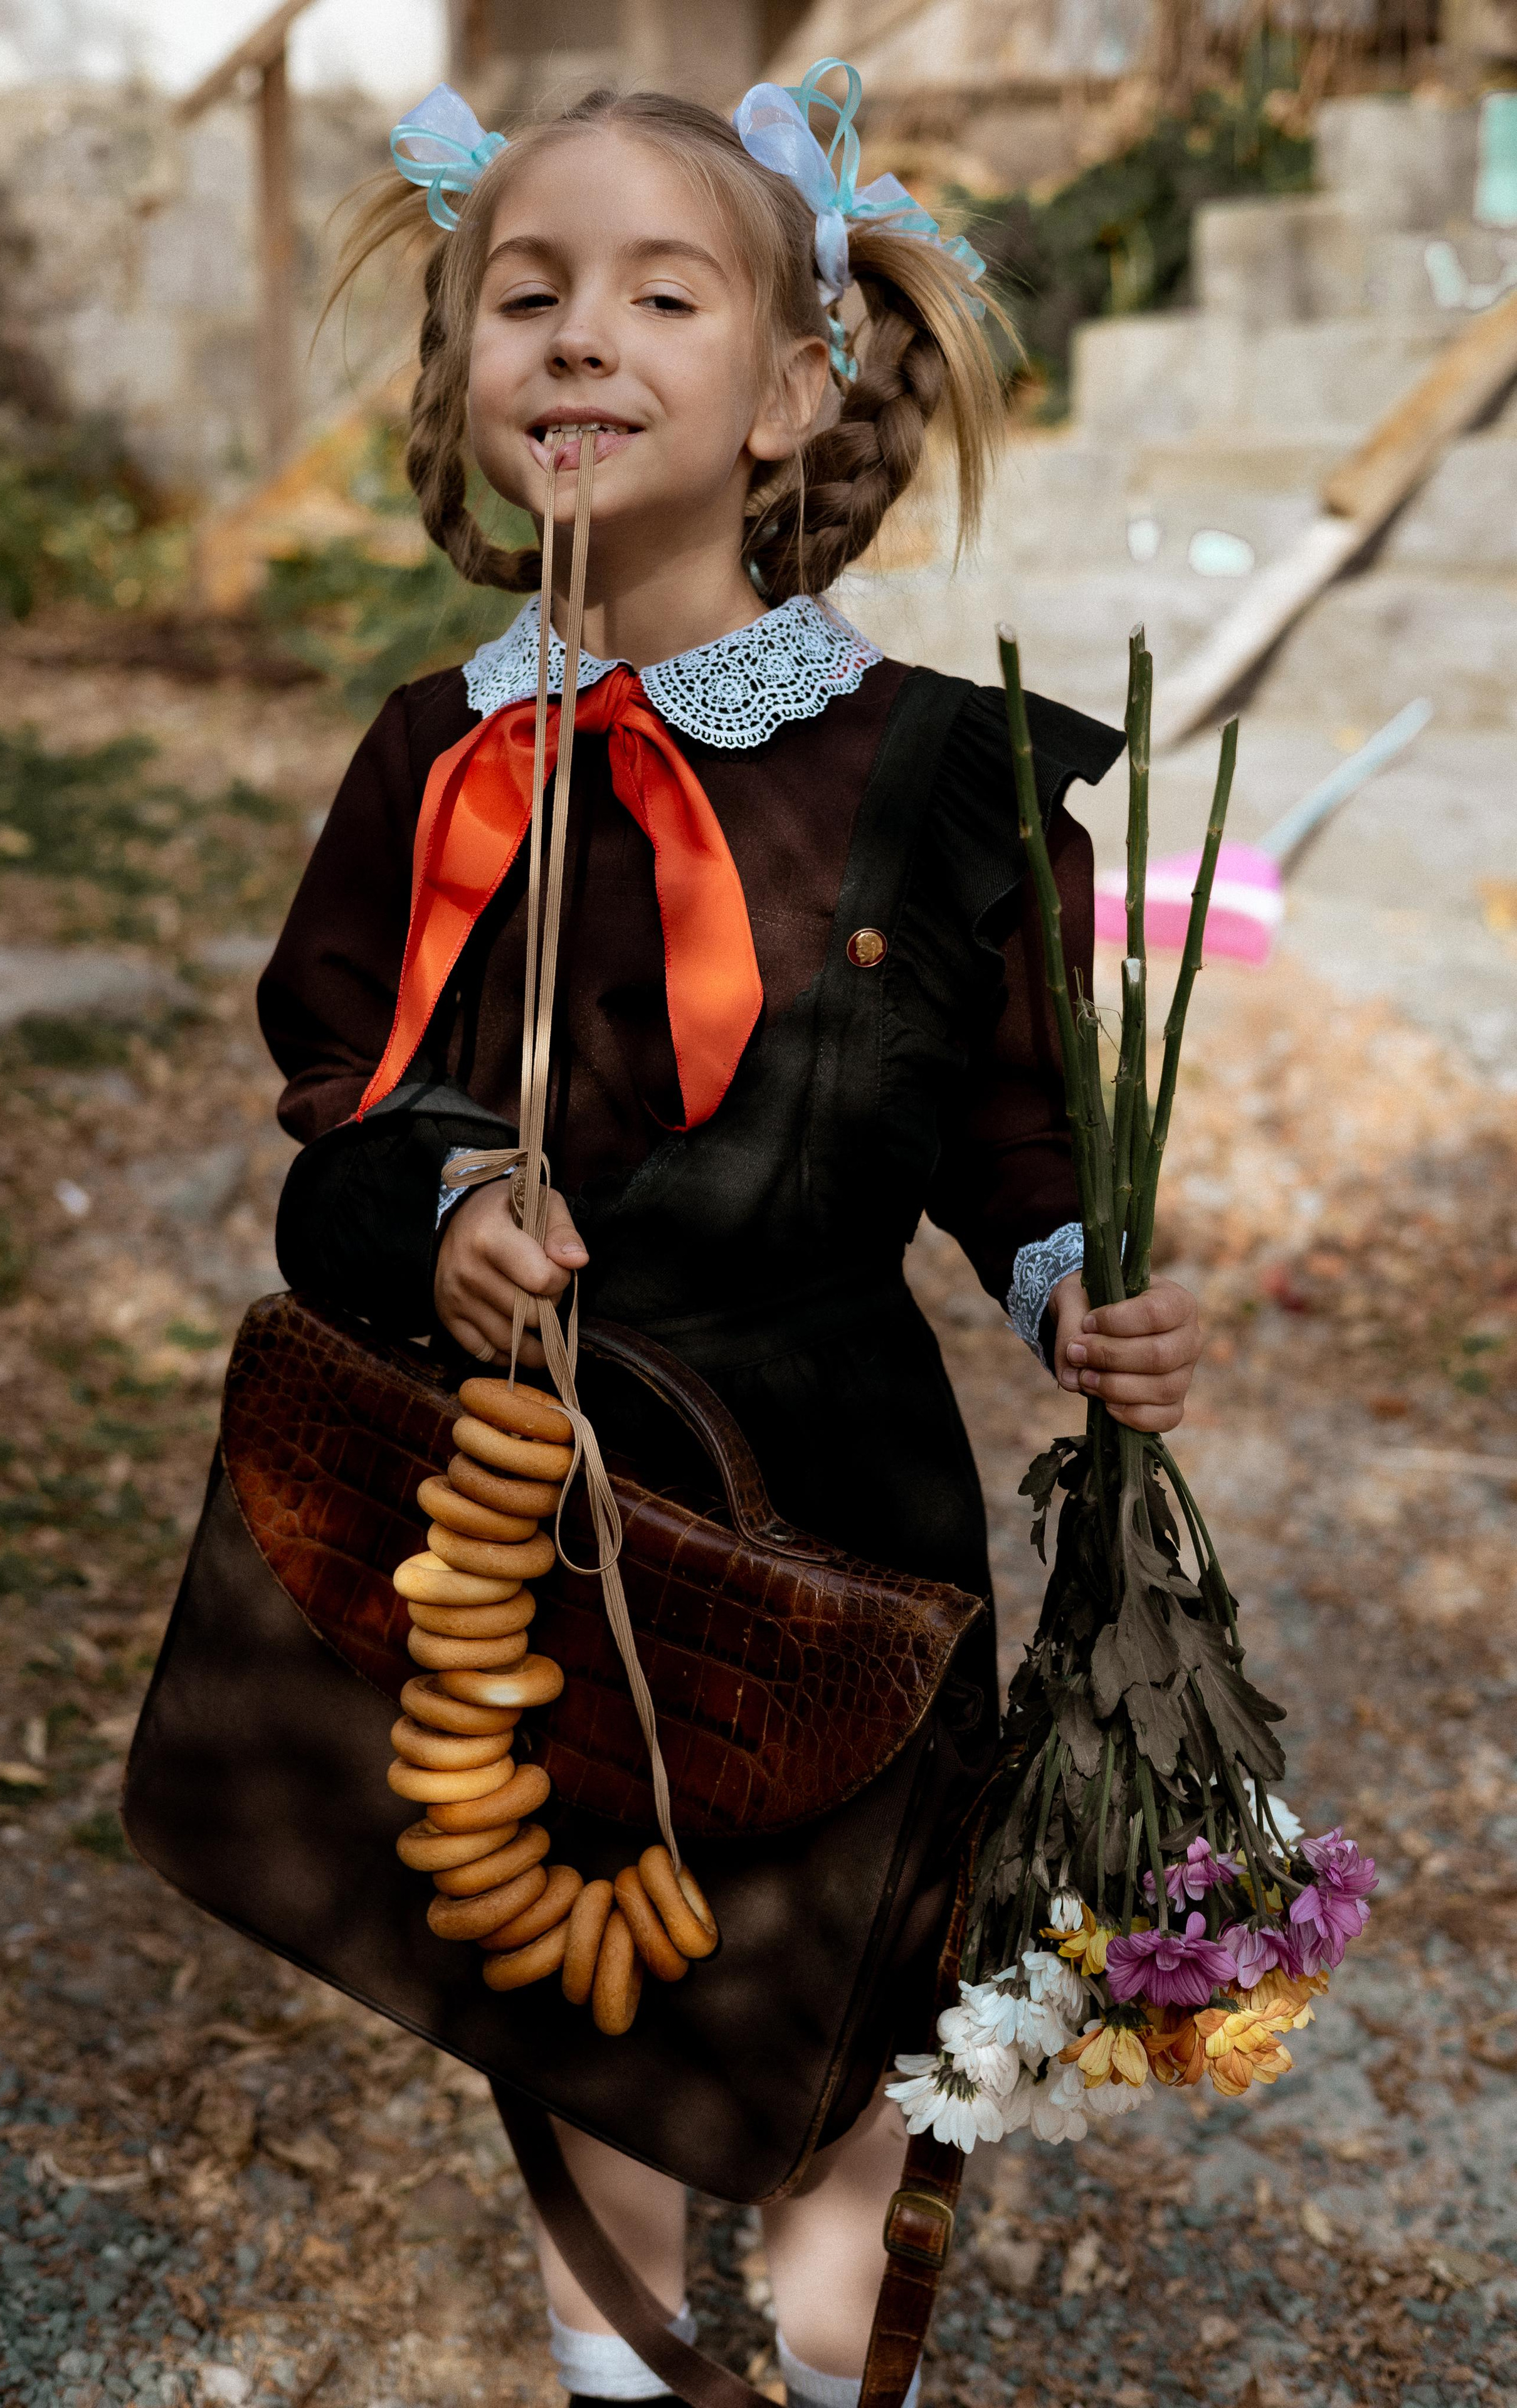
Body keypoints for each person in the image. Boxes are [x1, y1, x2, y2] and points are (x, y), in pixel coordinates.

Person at [258, 64, 1203, 2408]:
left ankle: (831, 2352)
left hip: (835, 1483)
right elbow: (335, 1098)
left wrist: (1076, 1280)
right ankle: (615, 2373)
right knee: (585, 2006)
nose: (579, 336)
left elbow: (1011, 1129)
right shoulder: (431, 757)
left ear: (791, 389)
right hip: (526, 1487)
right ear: (465, 375)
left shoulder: (925, 773)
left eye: (659, 294)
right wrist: (455, 1196)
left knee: (855, 1996)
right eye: (528, 292)